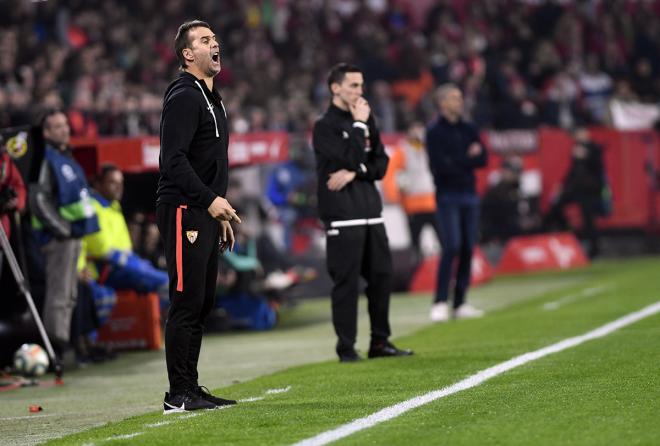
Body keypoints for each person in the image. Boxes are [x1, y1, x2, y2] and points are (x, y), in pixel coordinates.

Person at [157, 20, 241, 414]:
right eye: (205, 40)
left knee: (203, 300)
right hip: (182, 209)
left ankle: (190, 387)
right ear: (188, 54)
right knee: (186, 300)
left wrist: (218, 210)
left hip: (205, 210)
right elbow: (171, 160)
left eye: (215, 39)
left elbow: (209, 162)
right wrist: (209, 201)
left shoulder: (213, 97)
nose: (215, 43)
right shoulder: (184, 96)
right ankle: (177, 394)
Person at [312, 63, 413, 362]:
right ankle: (346, 348)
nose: (360, 91)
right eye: (354, 85)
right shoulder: (324, 126)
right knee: (346, 283)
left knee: (382, 279)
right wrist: (358, 127)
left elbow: (381, 166)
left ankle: (380, 343)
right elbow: (351, 155)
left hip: (372, 213)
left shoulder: (369, 121)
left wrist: (356, 172)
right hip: (343, 216)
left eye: (361, 85)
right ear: (336, 88)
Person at [30, 109, 100, 355]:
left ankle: (63, 345)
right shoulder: (45, 158)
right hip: (57, 239)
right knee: (59, 295)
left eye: (65, 125)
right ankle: (55, 350)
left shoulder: (64, 157)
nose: (65, 130)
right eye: (57, 126)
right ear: (46, 132)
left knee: (69, 295)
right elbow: (38, 200)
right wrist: (63, 229)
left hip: (71, 236)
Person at [426, 84, 488, 323]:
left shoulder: (469, 127)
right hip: (447, 195)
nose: (459, 102)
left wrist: (459, 161)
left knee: (467, 248)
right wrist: (466, 158)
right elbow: (440, 167)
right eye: (454, 98)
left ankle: (460, 301)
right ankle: (440, 301)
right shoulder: (434, 132)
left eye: (460, 97)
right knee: (451, 246)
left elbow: (483, 157)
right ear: (441, 103)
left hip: (469, 194)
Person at [84, 164, 168, 294]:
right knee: (166, 282)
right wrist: (135, 264)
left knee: (167, 278)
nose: (119, 188)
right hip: (104, 270)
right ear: (98, 185)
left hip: (121, 267)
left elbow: (125, 246)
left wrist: (136, 262)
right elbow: (102, 249)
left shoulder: (114, 207)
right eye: (112, 182)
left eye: (121, 183)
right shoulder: (92, 207)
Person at [382, 121, 440, 264]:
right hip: (413, 205)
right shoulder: (402, 151)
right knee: (415, 244)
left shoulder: (431, 148)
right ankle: (417, 272)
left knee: (444, 239)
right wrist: (393, 195)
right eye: (415, 129)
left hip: (433, 203)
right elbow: (390, 173)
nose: (418, 133)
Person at [543, 127, 605, 258]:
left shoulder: (594, 148)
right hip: (575, 189)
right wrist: (562, 184)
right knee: (556, 207)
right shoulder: (576, 149)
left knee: (589, 219)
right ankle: (568, 236)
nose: (578, 136)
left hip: (590, 190)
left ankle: (594, 250)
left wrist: (586, 156)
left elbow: (598, 168)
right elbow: (572, 171)